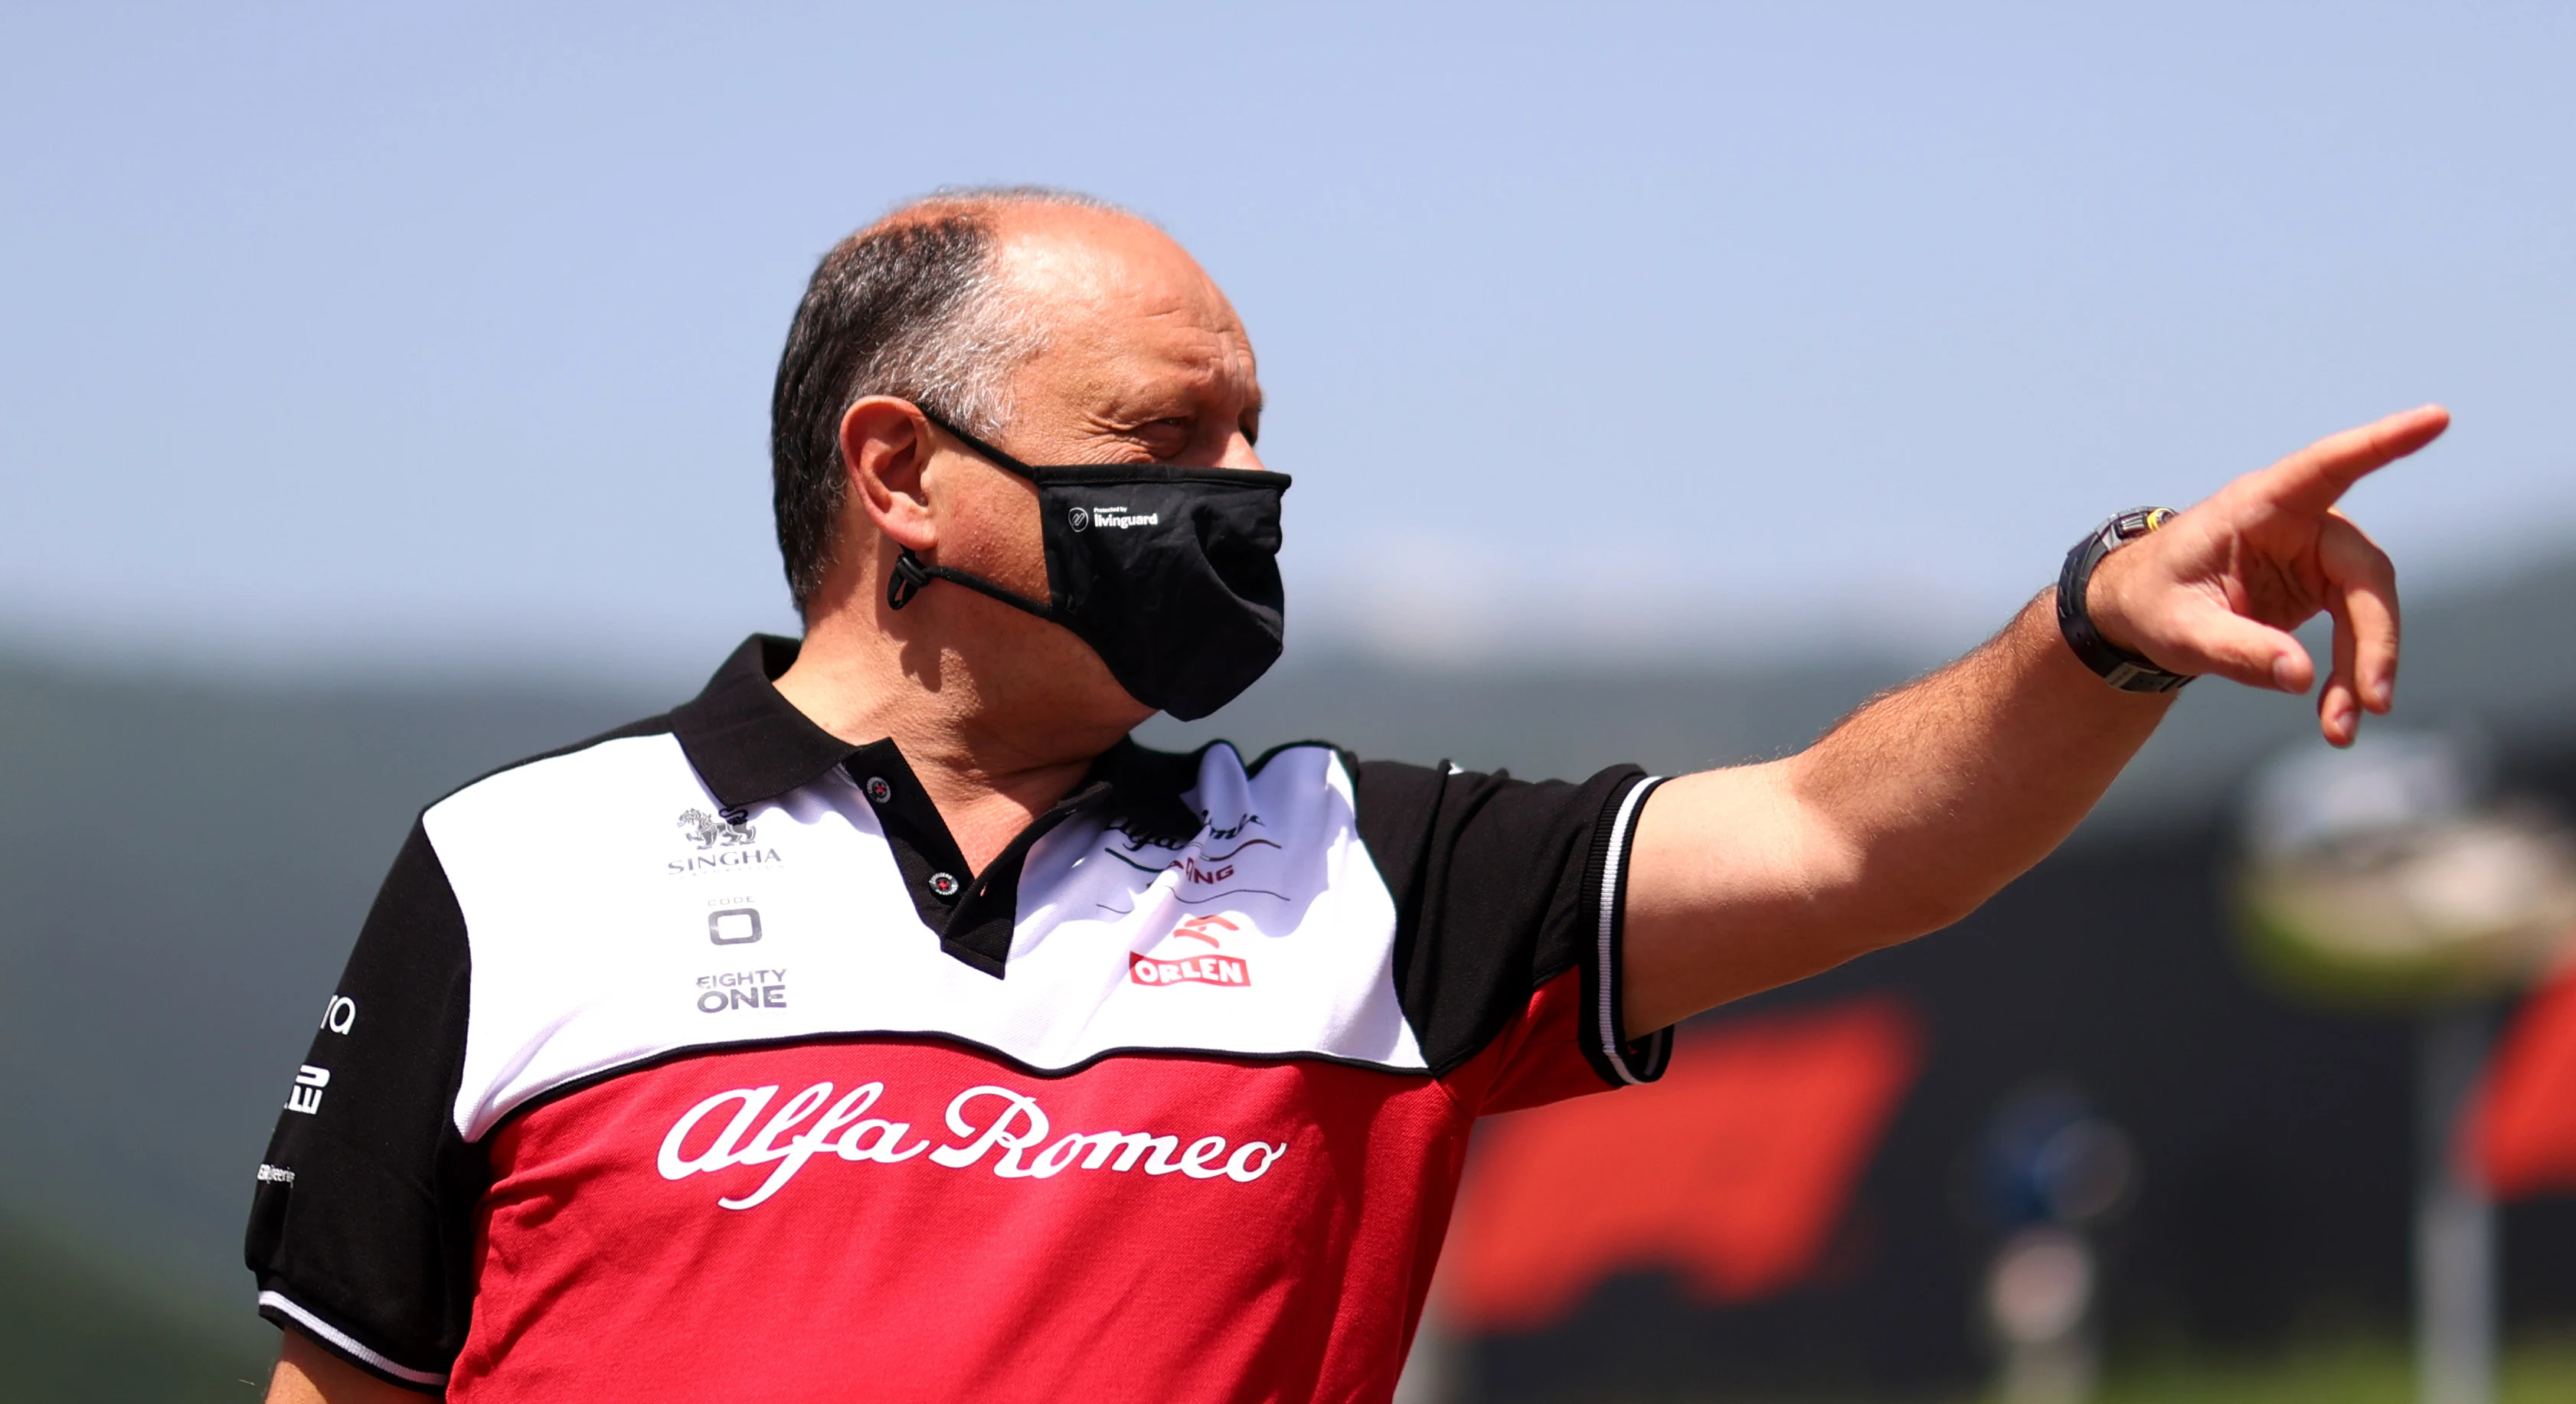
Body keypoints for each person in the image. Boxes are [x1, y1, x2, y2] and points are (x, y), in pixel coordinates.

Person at [248, 188, 2442, 1402]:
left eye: (1254, 435)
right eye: (1163, 439)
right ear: (900, 473)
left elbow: (1855, 839)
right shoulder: (510, 869)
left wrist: (2104, 622)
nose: (1244, 490)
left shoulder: (1360, 870)